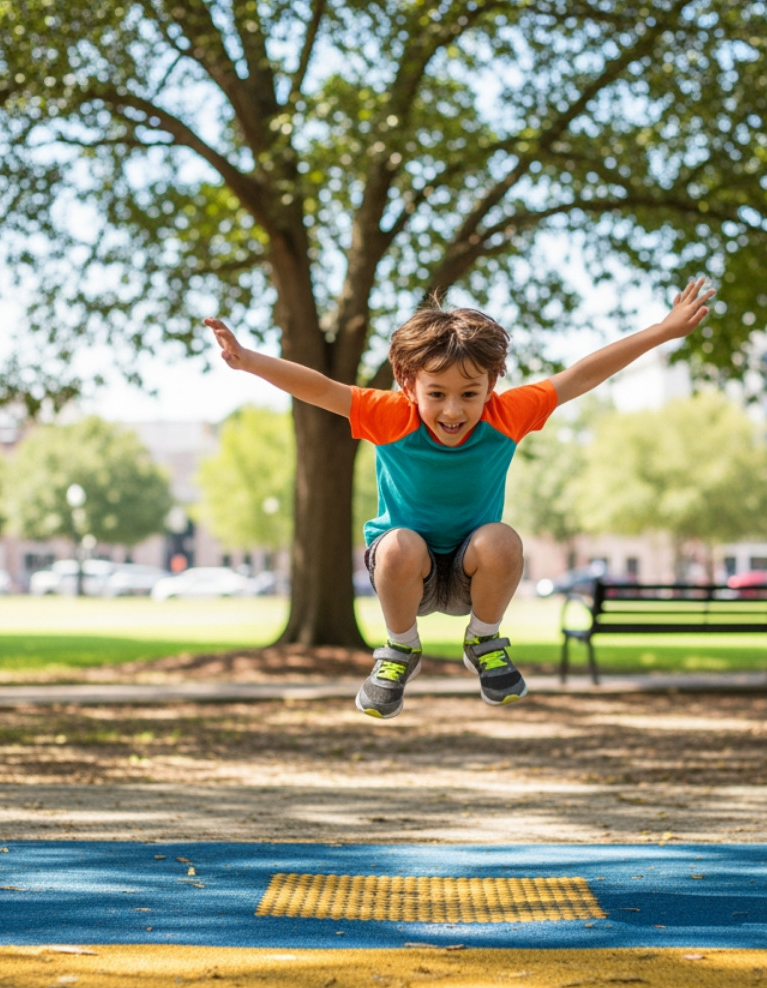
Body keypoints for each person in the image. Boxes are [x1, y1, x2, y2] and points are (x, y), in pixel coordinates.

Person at [206, 278, 715, 719]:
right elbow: (319, 388)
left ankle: (483, 639)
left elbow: (581, 374)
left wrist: (664, 331)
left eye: (470, 394)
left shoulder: (507, 414)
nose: (454, 410)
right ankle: (401, 648)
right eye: (438, 394)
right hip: (408, 573)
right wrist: (249, 361)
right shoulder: (389, 414)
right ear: (408, 384)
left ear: (493, 384)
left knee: (503, 540)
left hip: (474, 574)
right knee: (400, 543)